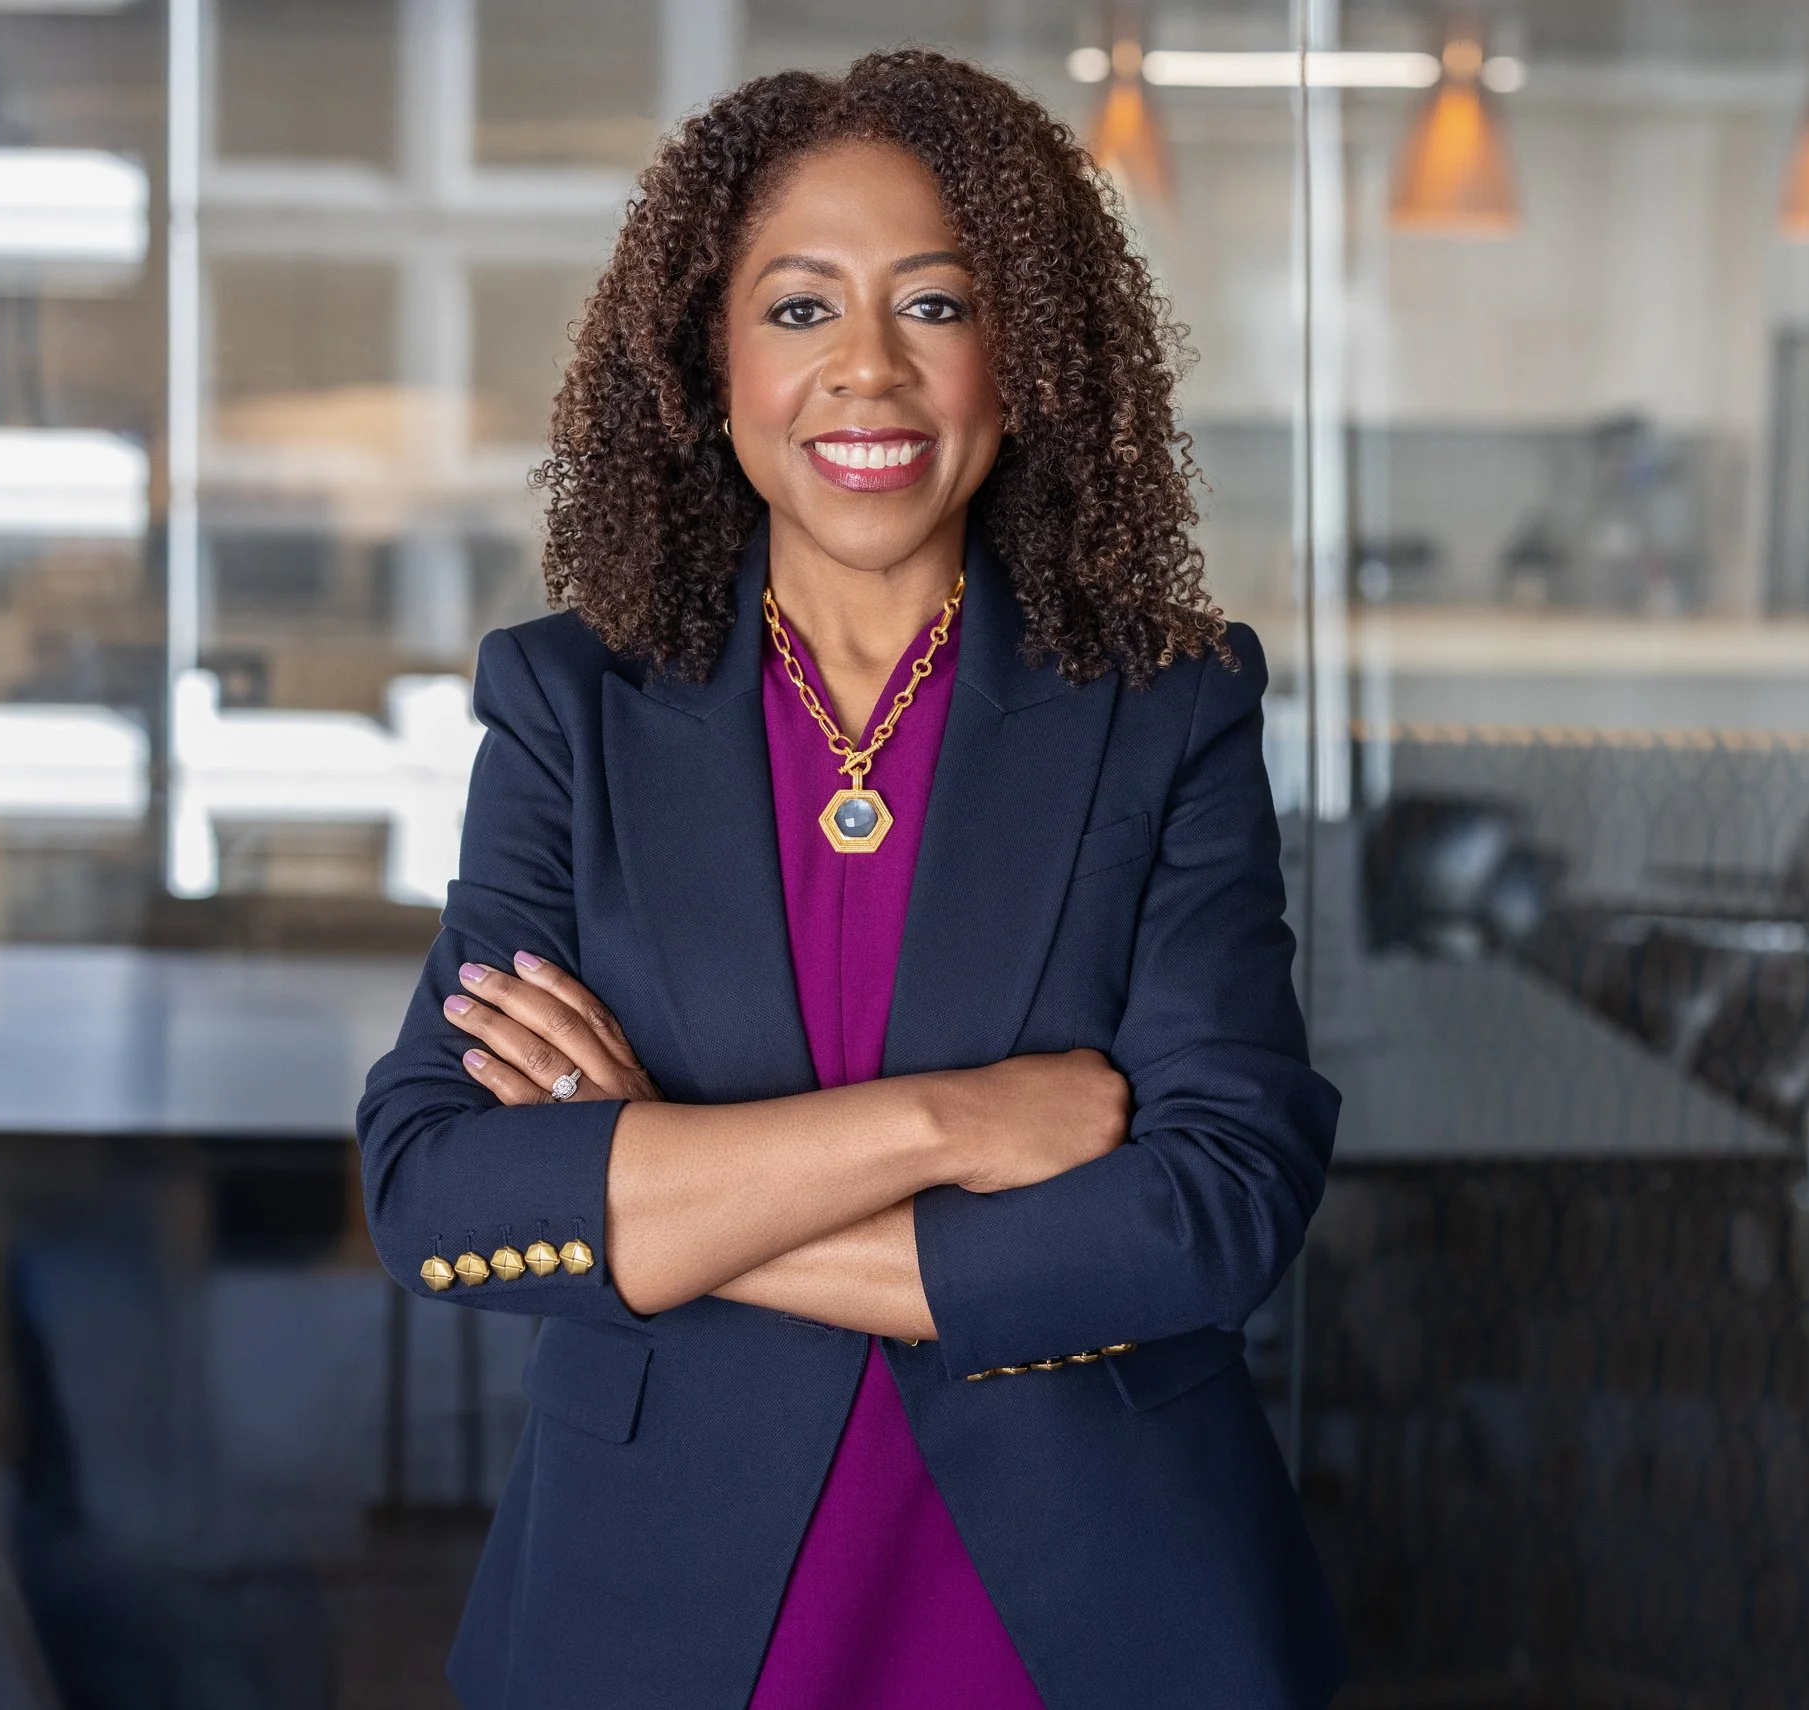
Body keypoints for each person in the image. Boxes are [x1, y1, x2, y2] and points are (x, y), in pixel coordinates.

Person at [356, 47, 1343, 1710]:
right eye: (801, 309)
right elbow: (438, 1187)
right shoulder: (568, 708)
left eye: (938, 306)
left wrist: (655, 1188)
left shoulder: (1167, 708)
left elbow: (1215, 1205)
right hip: (657, 1600)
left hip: (1086, 1612)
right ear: (708, 361)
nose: (867, 371)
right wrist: (952, 1124)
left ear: (1022, 361)